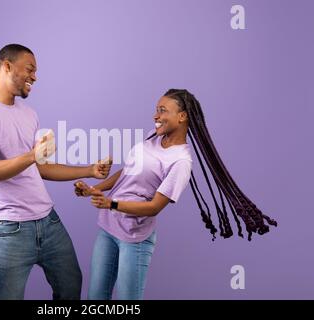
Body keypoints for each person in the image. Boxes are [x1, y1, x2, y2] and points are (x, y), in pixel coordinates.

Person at [74, 89, 277, 300]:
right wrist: (95, 190)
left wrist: (111, 204)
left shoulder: (180, 161)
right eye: (156, 110)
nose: (155, 116)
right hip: (109, 228)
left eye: (163, 111)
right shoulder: (153, 137)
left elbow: (154, 207)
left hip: (134, 237)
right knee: (95, 297)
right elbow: (128, 172)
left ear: (182, 116)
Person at [0, 44, 112, 300]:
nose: (35, 77)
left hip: (48, 220)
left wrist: (89, 170)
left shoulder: (29, 114)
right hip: (10, 228)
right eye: (30, 69)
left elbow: (38, 167)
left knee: (71, 286)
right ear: (7, 66)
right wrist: (32, 155)